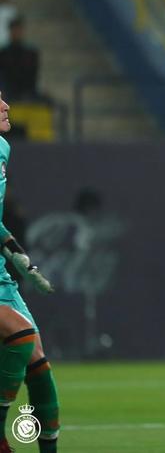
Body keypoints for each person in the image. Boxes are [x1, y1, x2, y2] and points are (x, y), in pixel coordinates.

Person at [0, 92, 58, 453]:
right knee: (20, 335)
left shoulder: (3, 149)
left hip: (2, 277)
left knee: (39, 366)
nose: (6, 106)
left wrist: (23, 262)